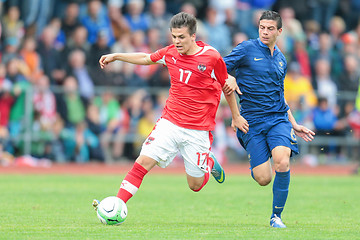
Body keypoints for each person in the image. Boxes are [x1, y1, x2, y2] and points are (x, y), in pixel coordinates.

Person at [93, 12, 243, 209]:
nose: (177, 41)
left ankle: (209, 163)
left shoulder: (211, 57)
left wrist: (236, 116)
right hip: (169, 123)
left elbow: (228, 86)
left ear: (193, 36)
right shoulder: (170, 53)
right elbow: (146, 58)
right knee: (143, 161)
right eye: (174, 36)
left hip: (198, 130)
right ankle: (116, 205)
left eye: (181, 37)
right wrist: (117, 56)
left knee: (195, 185)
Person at [223, 10, 315, 228]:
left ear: (279, 31)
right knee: (263, 178)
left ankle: (276, 217)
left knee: (282, 161)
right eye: (262, 27)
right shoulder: (246, 49)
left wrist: (293, 123)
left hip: (277, 119)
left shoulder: (282, 59)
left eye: (270, 28)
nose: (265, 32)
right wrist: (229, 77)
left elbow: (279, 95)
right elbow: (219, 68)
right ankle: (255, 160)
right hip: (251, 122)